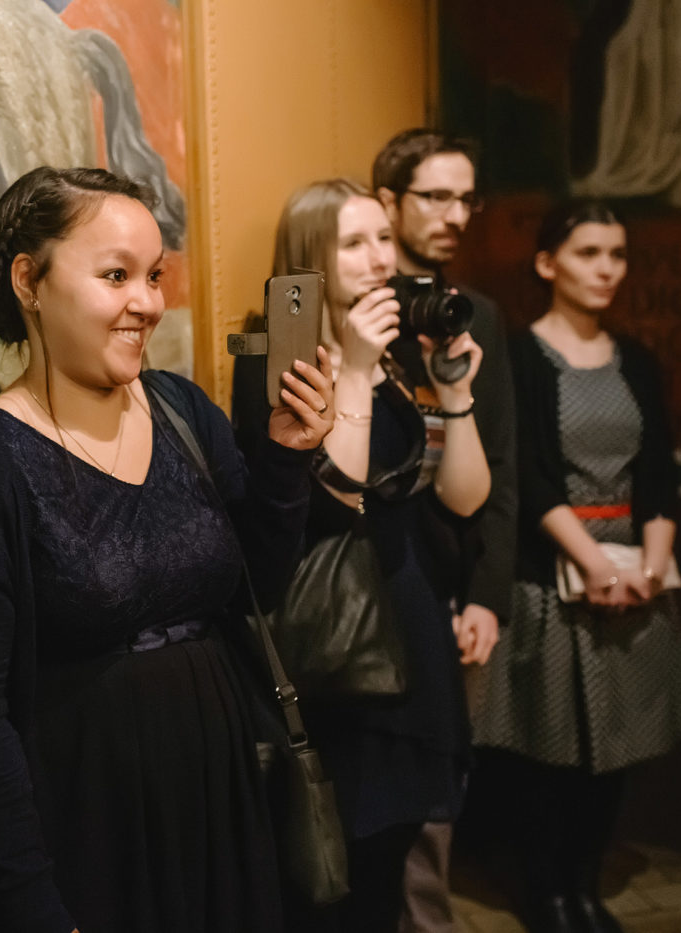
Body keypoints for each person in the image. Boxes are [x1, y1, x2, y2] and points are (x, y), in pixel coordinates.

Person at [0, 166, 336, 933]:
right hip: (88, 821)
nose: (149, 301)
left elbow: (255, 587)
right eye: (116, 275)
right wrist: (33, 904)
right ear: (29, 281)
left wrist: (287, 458)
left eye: (154, 276)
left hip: (217, 788)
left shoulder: (181, 408)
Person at [246, 177, 490, 933]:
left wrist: (455, 393)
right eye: (354, 242)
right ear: (310, 257)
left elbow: (464, 498)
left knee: (391, 865)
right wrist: (351, 368)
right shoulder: (279, 356)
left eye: (383, 237)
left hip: (411, 622)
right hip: (342, 645)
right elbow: (336, 496)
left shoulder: (394, 356)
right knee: (342, 872)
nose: (380, 257)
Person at [469, 200, 681, 933]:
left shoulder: (637, 360)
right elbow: (529, 474)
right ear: (547, 263)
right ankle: (548, 895)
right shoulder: (522, 357)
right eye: (589, 253)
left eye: (617, 255)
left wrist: (650, 569)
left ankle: (585, 886)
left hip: (634, 571)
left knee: (617, 745)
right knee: (551, 750)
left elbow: (658, 472)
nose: (607, 269)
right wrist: (595, 564)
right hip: (557, 572)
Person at [370, 128, 520, 933]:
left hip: (453, 586)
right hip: (372, 588)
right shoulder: (359, 311)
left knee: (440, 798)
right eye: (436, 196)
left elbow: (504, 464)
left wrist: (488, 594)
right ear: (389, 201)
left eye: (467, 199)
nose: (457, 214)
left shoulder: (476, 314)